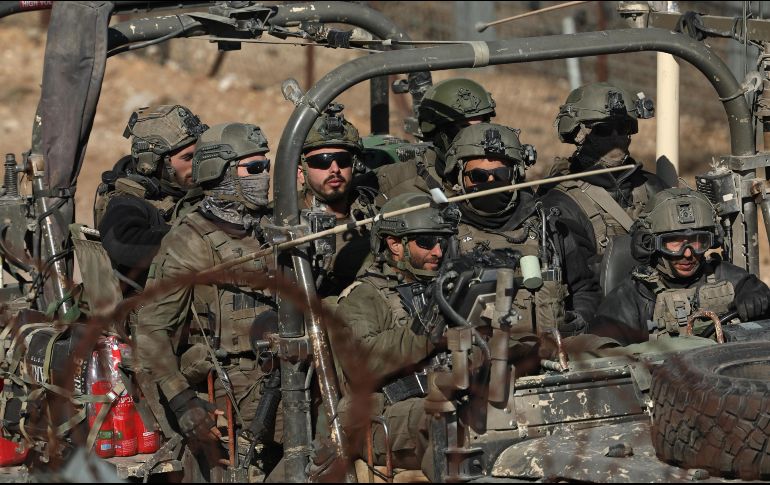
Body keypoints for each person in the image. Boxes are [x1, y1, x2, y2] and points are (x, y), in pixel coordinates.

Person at [135, 122, 280, 467]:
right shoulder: (189, 241)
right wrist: (183, 402)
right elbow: (152, 330)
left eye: (266, 166)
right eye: (254, 169)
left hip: (294, 364)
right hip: (239, 382)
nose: (264, 176)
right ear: (222, 172)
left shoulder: (277, 225)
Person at [334, 192, 460, 479]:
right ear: (394, 245)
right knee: (443, 419)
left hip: (443, 398)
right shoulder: (364, 296)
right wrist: (427, 330)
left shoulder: (449, 287)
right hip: (382, 418)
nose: (438, 252)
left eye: (442, 241)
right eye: (426, 241)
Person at [444, 122, 600, 335]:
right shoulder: (444, 235)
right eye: (478, 176)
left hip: (551, 349)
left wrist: (577, 321)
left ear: (515, 175)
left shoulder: (547, 228)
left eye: (501, 175)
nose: (491, 182)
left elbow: (585, 289)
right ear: (459, 177)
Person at [591, 188, 770, 344]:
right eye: (675, 242)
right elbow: (601, 353)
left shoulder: (727, 276)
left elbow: (755, 291)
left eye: (698, 241)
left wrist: (756, 296)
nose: (688, 254)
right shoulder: (631, 297)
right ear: (651, 244)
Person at [541, 82, 666, 267]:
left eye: (623, 128)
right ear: (578, 135)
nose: (615, 137)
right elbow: (579, 276)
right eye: (604, 130)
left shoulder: (652, 187)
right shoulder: (562, 203)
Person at [95, 104, 208, 290]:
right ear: (152, 163)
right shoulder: (127, 201)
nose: (197, 164)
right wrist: (200, 242)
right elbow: (123, 241)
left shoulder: (191, 189)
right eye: (188, 158)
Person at [374, 77, 496, 201]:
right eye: (464, 128)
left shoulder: (501, 172)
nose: (476, 136)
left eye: (482, 126)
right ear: (438, 132)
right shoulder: (397, 181)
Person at [297, 103, 373, 298]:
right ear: (301, 173)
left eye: (342, 160)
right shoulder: (286, 219)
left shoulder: (372, 206)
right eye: (322, 160)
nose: (335, 169)